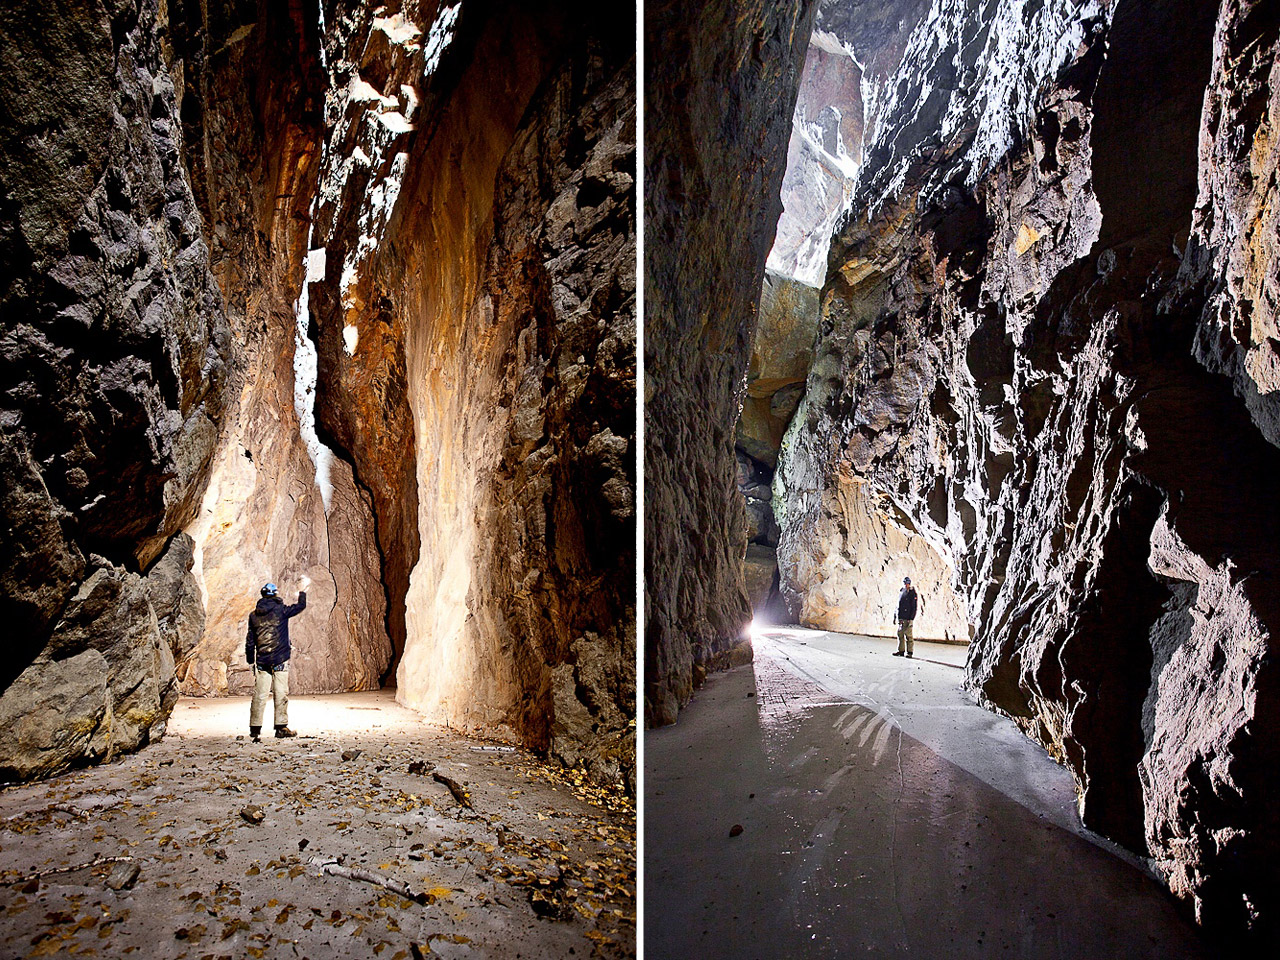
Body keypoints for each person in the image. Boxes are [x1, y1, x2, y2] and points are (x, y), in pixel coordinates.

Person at [245, 580, 307, 741]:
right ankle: (281, 727)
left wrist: (251, 660)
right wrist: (302, 591)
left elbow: (250, 640)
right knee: (281, 693)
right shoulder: (281, 610)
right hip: (280, 658)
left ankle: (255, 728)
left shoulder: (253, 615)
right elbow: (300, 607)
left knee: (259, 695)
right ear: (275, 595)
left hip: (262, 660)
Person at [893, 576, 918, 658]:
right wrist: (896, 616)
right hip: (901, 617)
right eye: (905, 583)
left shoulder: (912, 593)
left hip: (908, 618)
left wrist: (911, 619)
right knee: (900, 634)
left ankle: (910, 652)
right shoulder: (902, 591)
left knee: (909, 635)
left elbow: (914, 607)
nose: (906, 585)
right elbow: (898, 605)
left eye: (907, 583)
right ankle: (901, 650)